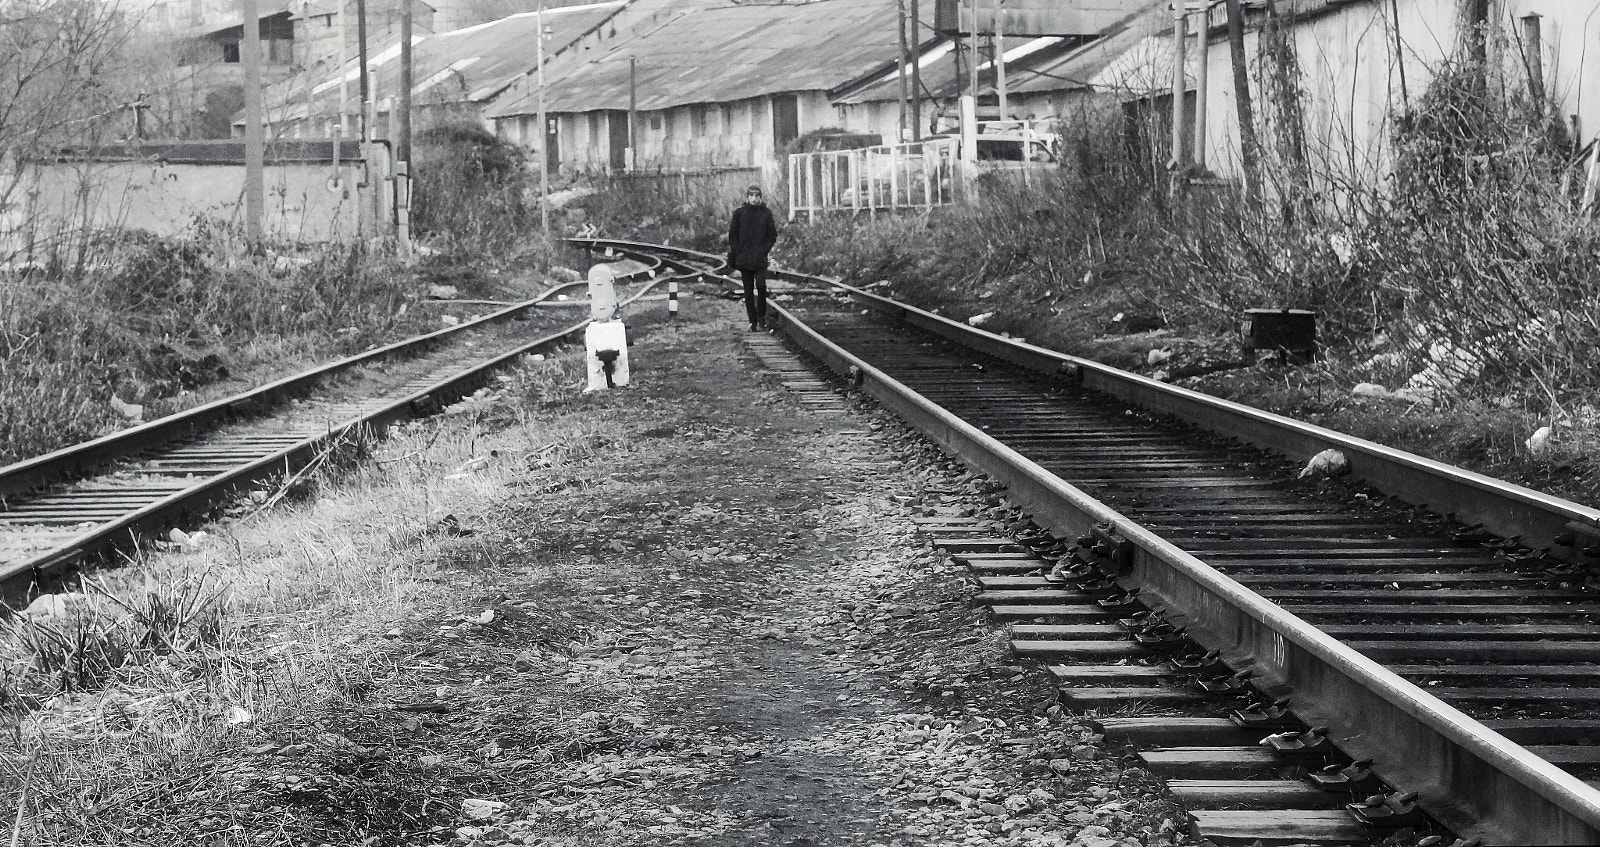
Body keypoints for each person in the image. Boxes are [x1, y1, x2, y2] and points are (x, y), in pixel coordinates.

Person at [727, 183, 779, 331]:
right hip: (744, 258)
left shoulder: (766, 213)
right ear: (747, 197)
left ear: (760, 197)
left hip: (760, 257)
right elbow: (733, 235)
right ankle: (753, 321)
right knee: (748, 290)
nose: (754, 198)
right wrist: (737, 250)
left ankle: (761, 317)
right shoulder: (739, 213)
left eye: (757, 196)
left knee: (761, 287)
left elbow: (772, 235)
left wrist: (764, 249)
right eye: (751, 195)